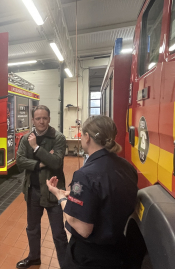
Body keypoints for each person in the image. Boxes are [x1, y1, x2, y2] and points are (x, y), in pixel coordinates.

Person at [46, 115, 138, 269]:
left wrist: (61, 197)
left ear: (87, 137)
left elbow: (82, 228)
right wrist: (75, 195)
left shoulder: (84, 175)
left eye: (82, 134)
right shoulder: (127, 167)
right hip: (119, 252)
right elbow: (106, 197)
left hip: (90, 257)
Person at [16, 105, 68, 269]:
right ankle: (34, 258)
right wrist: (41, 163)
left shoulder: (58, 138)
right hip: (33, 191)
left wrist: (36, 148)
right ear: (33, 120)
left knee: (59, 233)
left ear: (49, 119)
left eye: (44, 118)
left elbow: (56, 162)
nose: (41, 121)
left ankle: (66, 264)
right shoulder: (26, 138)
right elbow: (20, 162)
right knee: (32, 228)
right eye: (38, 118)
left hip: (53, 192)